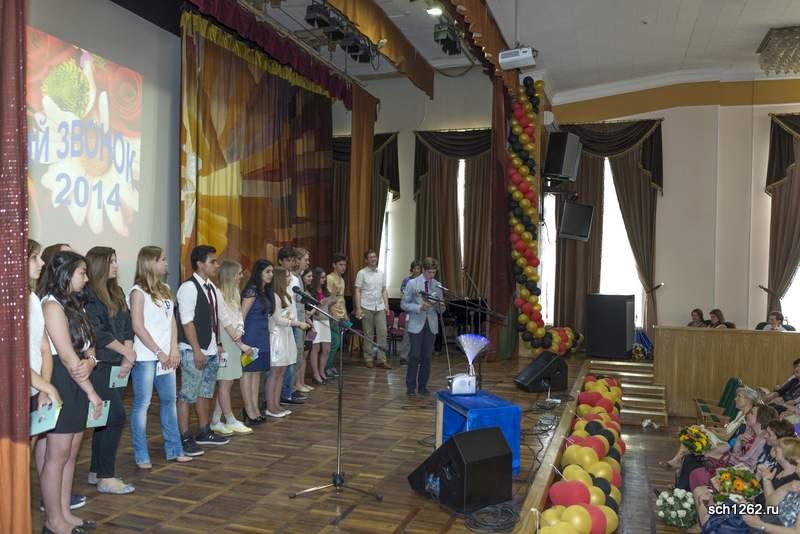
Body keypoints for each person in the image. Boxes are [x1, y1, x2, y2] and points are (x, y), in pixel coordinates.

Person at [38, 251, 104, 534]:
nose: (86, 278)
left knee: (72, 451)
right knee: (58, 454)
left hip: (79, 375)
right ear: (65, 274)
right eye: (82, 273)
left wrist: (91, 360)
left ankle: (65, 513)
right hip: (63, 379)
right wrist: (91, 391)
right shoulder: (51, 305)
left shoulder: (74, 302)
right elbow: (66, 355)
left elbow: (89, 343)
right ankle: (53, 521)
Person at [129, 246, 193, 466]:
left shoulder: (165, 289)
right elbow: (138, 326)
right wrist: (159, 352)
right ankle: (141, 454)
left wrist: (173, 349)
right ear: (150, 262)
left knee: (169, 401)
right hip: (147, 356)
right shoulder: (138, 292)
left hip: (167, 356)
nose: (166, 263)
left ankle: (174, 449)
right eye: (162, 259)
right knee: (142, 404)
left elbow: (171, 321)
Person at [84, 246, 135, 494]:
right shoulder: (88, 294)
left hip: (119, 364)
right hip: (100, 364)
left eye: (116, 260)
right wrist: (125, 352)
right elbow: (98, 332)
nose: (116, 265)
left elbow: (127, 325)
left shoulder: (117, 291)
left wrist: (128, 354)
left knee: (104, 419)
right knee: (115, 417)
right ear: (99, 264)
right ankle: (106, 477)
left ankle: (96, 470)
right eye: (112, 261)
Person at [176, 245, 229, 455]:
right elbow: (187, 322)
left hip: (210, 349)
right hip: (193, 350)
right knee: (187, 394)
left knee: (205, 391)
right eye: (212, 261)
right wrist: (197, 350)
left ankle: (204, 430)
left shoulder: (211, 287)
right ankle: (184, 436)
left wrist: (218, 343)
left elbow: (216, 319)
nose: (217, 265)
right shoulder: (188, 288)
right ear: (199, 264)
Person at [28, 240, 68, 513]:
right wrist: (47, 386)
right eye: (34, 258)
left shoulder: (32, 298)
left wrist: (43, 387)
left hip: (33, 388)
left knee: (24, 460)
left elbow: (44, 348)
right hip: (14, 391)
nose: (41, 263)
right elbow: (12, 357)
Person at [210, 260, 253, 436]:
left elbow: (239, 315)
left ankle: (216, 419)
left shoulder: (234, 291)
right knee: (225, 382)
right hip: (226, 342)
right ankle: (230, 419)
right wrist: (239, 341)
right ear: (231, 274)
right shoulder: (218, 293)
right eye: (239, 273)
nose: (241, 276)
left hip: (235, 340)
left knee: (228, 382)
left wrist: (240, 330)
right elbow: (225, 321)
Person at [266, 267, 310, 417]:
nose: (290, 278)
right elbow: (277, 319)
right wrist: (296, 323)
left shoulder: (286, 294)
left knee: (282, 372)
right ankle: (270, 406)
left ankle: (277, 404)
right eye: (286, 276)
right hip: (277, 336)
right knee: (275, 372)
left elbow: (291, 314)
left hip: (286, 334)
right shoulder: (274, 295)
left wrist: (295, 321)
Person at [402, 257, 444, 396]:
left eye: (434, 273)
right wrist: (419, 307)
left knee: (426, 356)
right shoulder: (412, 283)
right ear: (423, 270)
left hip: (431, 324)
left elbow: (440, 307)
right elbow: (404, 304)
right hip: (416, 324)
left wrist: (441, 306)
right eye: (429, 272)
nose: (431, 275)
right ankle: (410, 386)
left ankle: (423, 385)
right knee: (414, 355)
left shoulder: (437, 285)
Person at [240, 260, 273, 426]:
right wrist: (240, 340)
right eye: (268, 271)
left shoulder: (263, 291)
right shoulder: (251, 291)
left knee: (256, 373)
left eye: (272, 272)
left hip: (262, 337)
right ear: (258, 272)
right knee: (248, 373)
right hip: (251, 337)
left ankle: (255, 409)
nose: (271, 275)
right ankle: (248, 409)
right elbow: (242, 316)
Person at [276, 247, 307, 406]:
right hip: (280, 324)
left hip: (294, 322)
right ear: (280, 261)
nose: (291, 263)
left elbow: (295, 301)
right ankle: (280, 395)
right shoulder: (276, 278)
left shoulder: (294, 279)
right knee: (279, 363)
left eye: (293, 260)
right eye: (288, 260)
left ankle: (288, 391)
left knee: (294, 358)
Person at [355, 249, 391, 369]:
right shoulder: (361, 273)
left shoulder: (381, 273)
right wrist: (358, 308)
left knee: (383, 332)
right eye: (370, 257)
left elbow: (384, 290)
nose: (373, 259)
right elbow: (357, 291)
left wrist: (386, 305)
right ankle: (368, 358)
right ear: (366, 260)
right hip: (366, 306)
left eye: (374, 256)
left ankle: (381, 359)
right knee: (368, 333)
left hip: (379, 306)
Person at [309, 267, 333, 386]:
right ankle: (315, 374)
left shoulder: (325, 290)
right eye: (321, 277)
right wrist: (320, 303)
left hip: (325, 320)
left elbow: (328, 305)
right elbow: (310, 308)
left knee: (327, 348)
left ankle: (322, 371)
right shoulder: (311, 291)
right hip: (315, 321)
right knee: (316, 348)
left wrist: (330, 302)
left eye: (324, 277)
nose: (323, 280)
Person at [325, 253, 348, 379]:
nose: (343, 267)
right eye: (340, 264)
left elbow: (342, 298)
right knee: (334, 341)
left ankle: (329, 365)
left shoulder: (342, 280)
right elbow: (329, 299)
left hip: (340, 313)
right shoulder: (330, 278)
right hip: (331, 314)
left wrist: (345, 314)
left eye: (344, 265)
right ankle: (326, 367)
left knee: (337, 342)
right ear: (334, 265)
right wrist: (332, 314)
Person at [297, 268, 316, 392]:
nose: (311, 278)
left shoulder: (308, 291)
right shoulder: (300, 292)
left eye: (312, 276)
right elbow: (302, 311)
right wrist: (310, 323)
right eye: (308, 276)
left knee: (305, 356)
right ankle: (298, 383)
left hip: (309, 326)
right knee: (301, 356)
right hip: (304, 325)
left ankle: (302, 382)